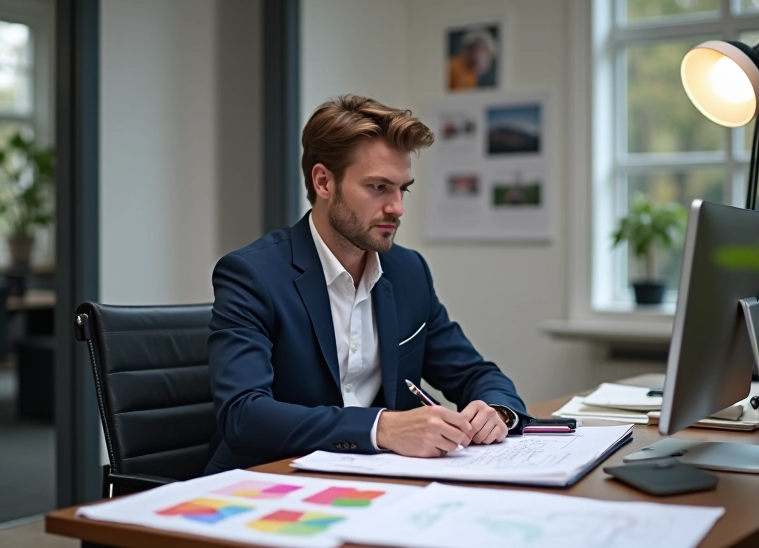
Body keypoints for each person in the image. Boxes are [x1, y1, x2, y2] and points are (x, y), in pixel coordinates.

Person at [205, 95, 527, 474]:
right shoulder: (252, 274)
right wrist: (381, 427)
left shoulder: (408, 272)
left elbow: (475, 374)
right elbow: (244, 415)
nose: (397, 208)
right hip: (269, 482)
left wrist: (497, 410)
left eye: (402, 189)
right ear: (324, 181)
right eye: (378, 188)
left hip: (378, 483)